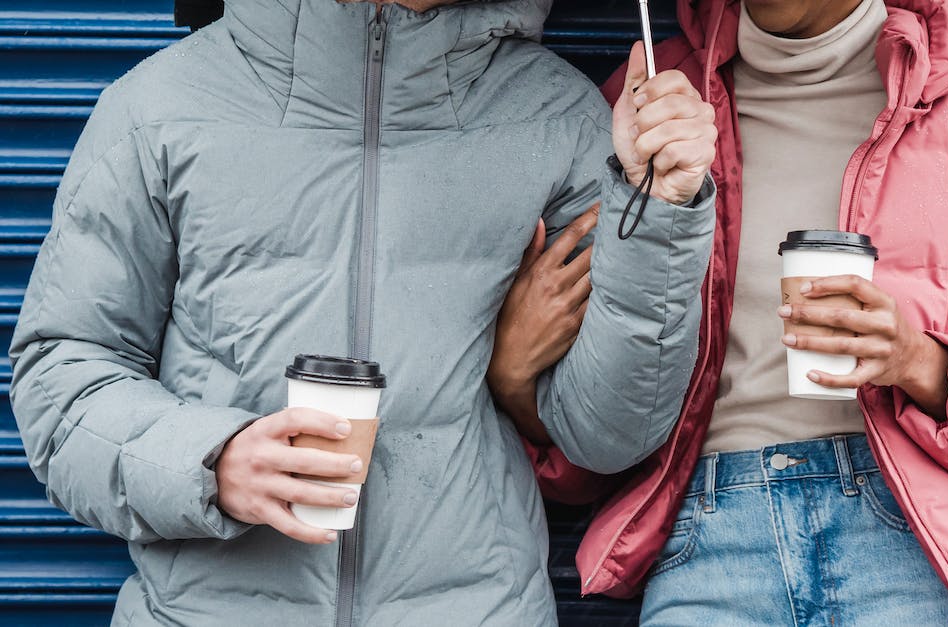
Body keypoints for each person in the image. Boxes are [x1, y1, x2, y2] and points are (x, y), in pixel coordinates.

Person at [8, 0, 717, 624]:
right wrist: (211, 463)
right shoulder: (159, 108)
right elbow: (61, 379)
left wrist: (660, 207)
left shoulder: (559, 119)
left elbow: (610, 432)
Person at [489, 0, 948, 624]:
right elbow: (601, 440)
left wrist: (918, 361)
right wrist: (519, 384)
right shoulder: (650, 110)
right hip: (709, 540)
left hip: (919, 541)